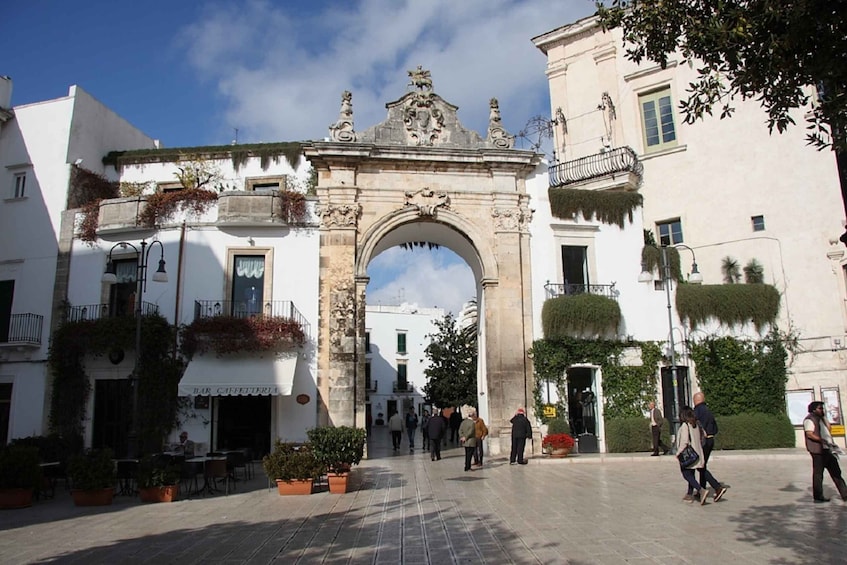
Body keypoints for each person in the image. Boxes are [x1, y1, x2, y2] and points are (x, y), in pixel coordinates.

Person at [803, 401, 847, 503]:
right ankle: (818, 496)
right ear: (814, 409)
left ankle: (845, 494)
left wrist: (824, 418)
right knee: (818, 474)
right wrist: (821, 440)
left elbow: (829, 429)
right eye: (820, 408)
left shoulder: (821, 419)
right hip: (818, 451)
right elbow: (809, 434)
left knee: (836, 472)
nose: (822, 410)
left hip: (827, 449)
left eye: (823, 408)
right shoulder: (810, 419)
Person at [693, 392, 728, 501]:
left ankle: (717, 487)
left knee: (700, 466)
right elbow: (716, 428)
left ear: (696, 400)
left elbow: (695, 427)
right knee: (703, 465)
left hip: (702, 441)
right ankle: (701, 491)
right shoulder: (708, 411)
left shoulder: (697, 411)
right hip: (710, 440)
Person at [677, 406, 709, 504]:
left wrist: (678, 453)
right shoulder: (696, 424)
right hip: (698, 453)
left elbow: (684, 441)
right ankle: (689, 494)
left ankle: (701, 490)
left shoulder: (685, 426)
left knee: (686, 474)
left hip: (689, 454)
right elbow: (705, 435)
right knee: (691, 473)